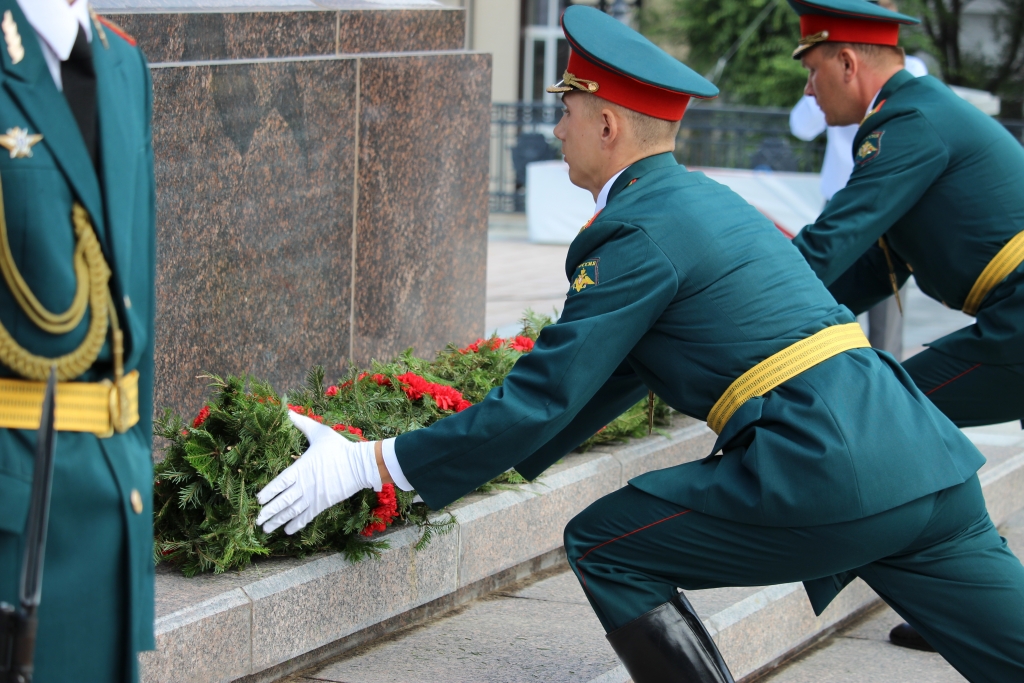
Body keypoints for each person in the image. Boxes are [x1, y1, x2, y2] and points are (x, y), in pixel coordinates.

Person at [257, 6, 1024, 682]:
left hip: (831, 466)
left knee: (607, 543)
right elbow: (601, 384)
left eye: (568, 108)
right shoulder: (709, 201)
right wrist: (436, 462)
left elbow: (546, 396)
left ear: (608, 125)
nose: (556, 128)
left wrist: (371, 461)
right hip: (927, 462)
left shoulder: (632, 231)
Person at [787, 0, 1024, 652]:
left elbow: (829, 244)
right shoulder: (919, 115)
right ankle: (976, 603)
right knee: (912, 425)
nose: (809, 87)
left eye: (812, 70)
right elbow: (867, 269)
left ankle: (967, 602)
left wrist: (740, 291)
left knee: (897, 420)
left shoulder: (906, 122)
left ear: (847, 61)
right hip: (1014, 318)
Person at [0, 0, 156, 680]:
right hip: (18, 522)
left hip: (112, 512)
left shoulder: (122, 62)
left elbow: (135, 313)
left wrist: (138, 510)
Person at [789, 0, 927, 361]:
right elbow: (801, 127)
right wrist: (824, 79)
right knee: (822, 312)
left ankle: (885, 399)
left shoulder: (910, 74)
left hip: (889, 207)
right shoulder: (831, 67)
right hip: (840, 201)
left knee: (886, 327)